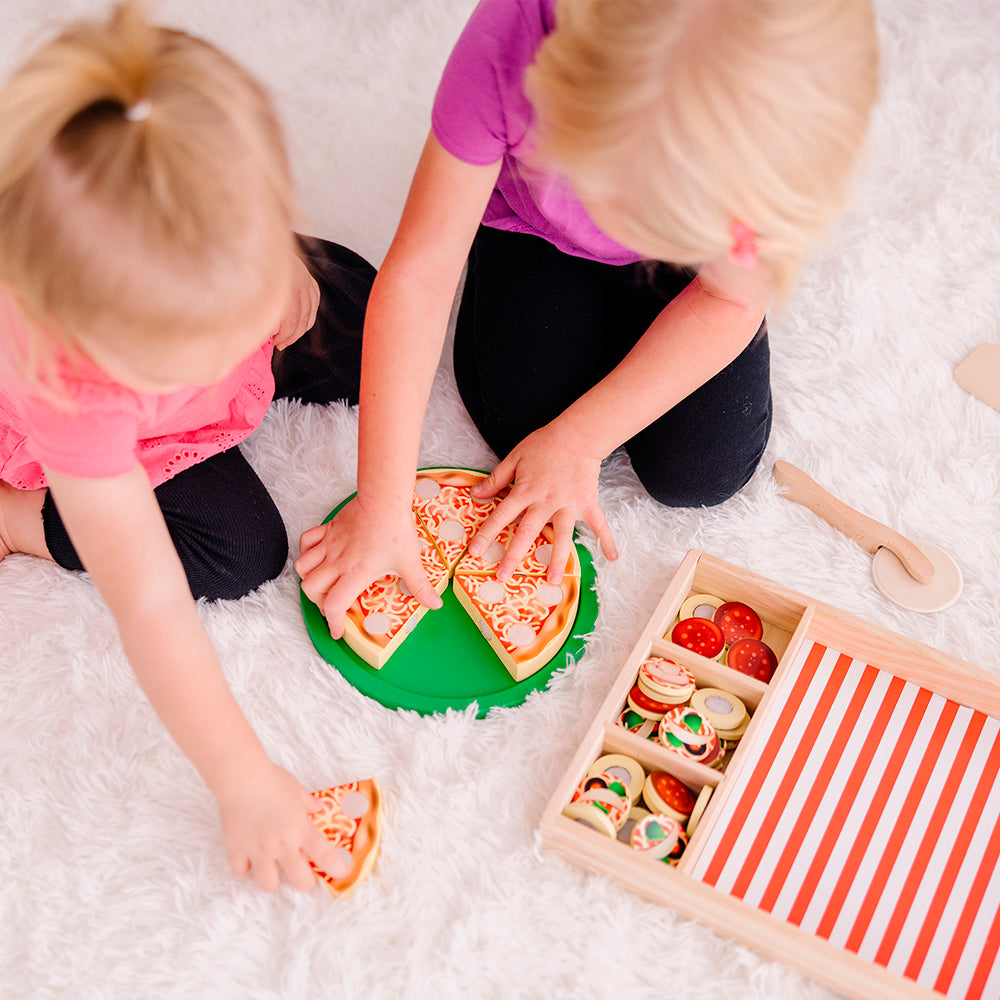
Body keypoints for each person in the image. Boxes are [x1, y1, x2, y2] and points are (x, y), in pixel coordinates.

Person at [295, 0, 879, 639]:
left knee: (700, 473)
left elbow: (731, 299)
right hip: (532, 228)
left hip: (705, 275)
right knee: (518, 428)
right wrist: (382, 502)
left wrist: (581, 438)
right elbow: (419, 277)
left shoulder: (772, 137)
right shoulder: (509, 40)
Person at [0, 2, 375, 892]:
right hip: (110, 447)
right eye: (196, 343)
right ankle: (16, 521)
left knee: (356, 306)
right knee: (238, 551)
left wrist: (281, 280)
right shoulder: (71, 387)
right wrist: (244, 779)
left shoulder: (202, 210)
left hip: (189, 292)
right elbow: (153, 607)